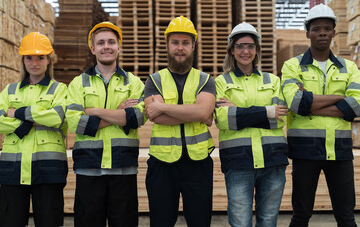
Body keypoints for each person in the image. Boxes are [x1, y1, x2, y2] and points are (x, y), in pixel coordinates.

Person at [281, 4, 360, 227]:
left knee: (346, 216)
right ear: (308, 33)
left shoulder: (349, 67)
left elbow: (356, 106)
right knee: (301, 216)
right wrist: (339, 97)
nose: (322, 32)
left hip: (339, 151)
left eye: (327, 28)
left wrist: (311, 104)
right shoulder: (292, 66)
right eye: (316, 29)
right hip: (304, 151)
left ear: (334, 31)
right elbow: (296, 103)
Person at [66, 21, 145, 227]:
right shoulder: (78, 83)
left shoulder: (134, 83)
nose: (106, 46)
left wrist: (94, 111)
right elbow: (75, 122)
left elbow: (137, 119)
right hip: (89, 169)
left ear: (119, 46)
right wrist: (120, 114)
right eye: (101, 43)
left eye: (111, 42)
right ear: (93, 49)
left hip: (123, 168)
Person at [144, 15, 216, 227]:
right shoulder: (154, 80)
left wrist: (163, 106)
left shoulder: (205, 80)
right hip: (162, 164)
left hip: (199, 163)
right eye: (175, 42)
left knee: (200, 222)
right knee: (161, 222)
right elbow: (156, 118)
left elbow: (203, 113)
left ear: (193, 46)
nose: (180, 48)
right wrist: (193, 112)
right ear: (167, 45)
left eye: (185, 43)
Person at [215, 22, 289, 227]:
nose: (245, 51)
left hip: (273, 160)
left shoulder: (273, 80)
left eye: (250, 46)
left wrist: (238, 111)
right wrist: (266, 111)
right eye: (240, 46)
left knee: (268, 221)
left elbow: (279, 118)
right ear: (231, 50)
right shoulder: (221, 82)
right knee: (240, 222)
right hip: (239, 162)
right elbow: (223, 119)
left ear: (257, 50)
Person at [0, 32, 68, 227]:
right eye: (29, 57)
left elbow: (56, 118)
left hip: (48, 169)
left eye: (40, 57)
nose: (34, 62)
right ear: (23, 60)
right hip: (13, 169)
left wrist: (17, 113)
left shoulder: (60, 89)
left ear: (49, 60)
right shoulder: (9, 90)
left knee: (49, 222)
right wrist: (34, 119)